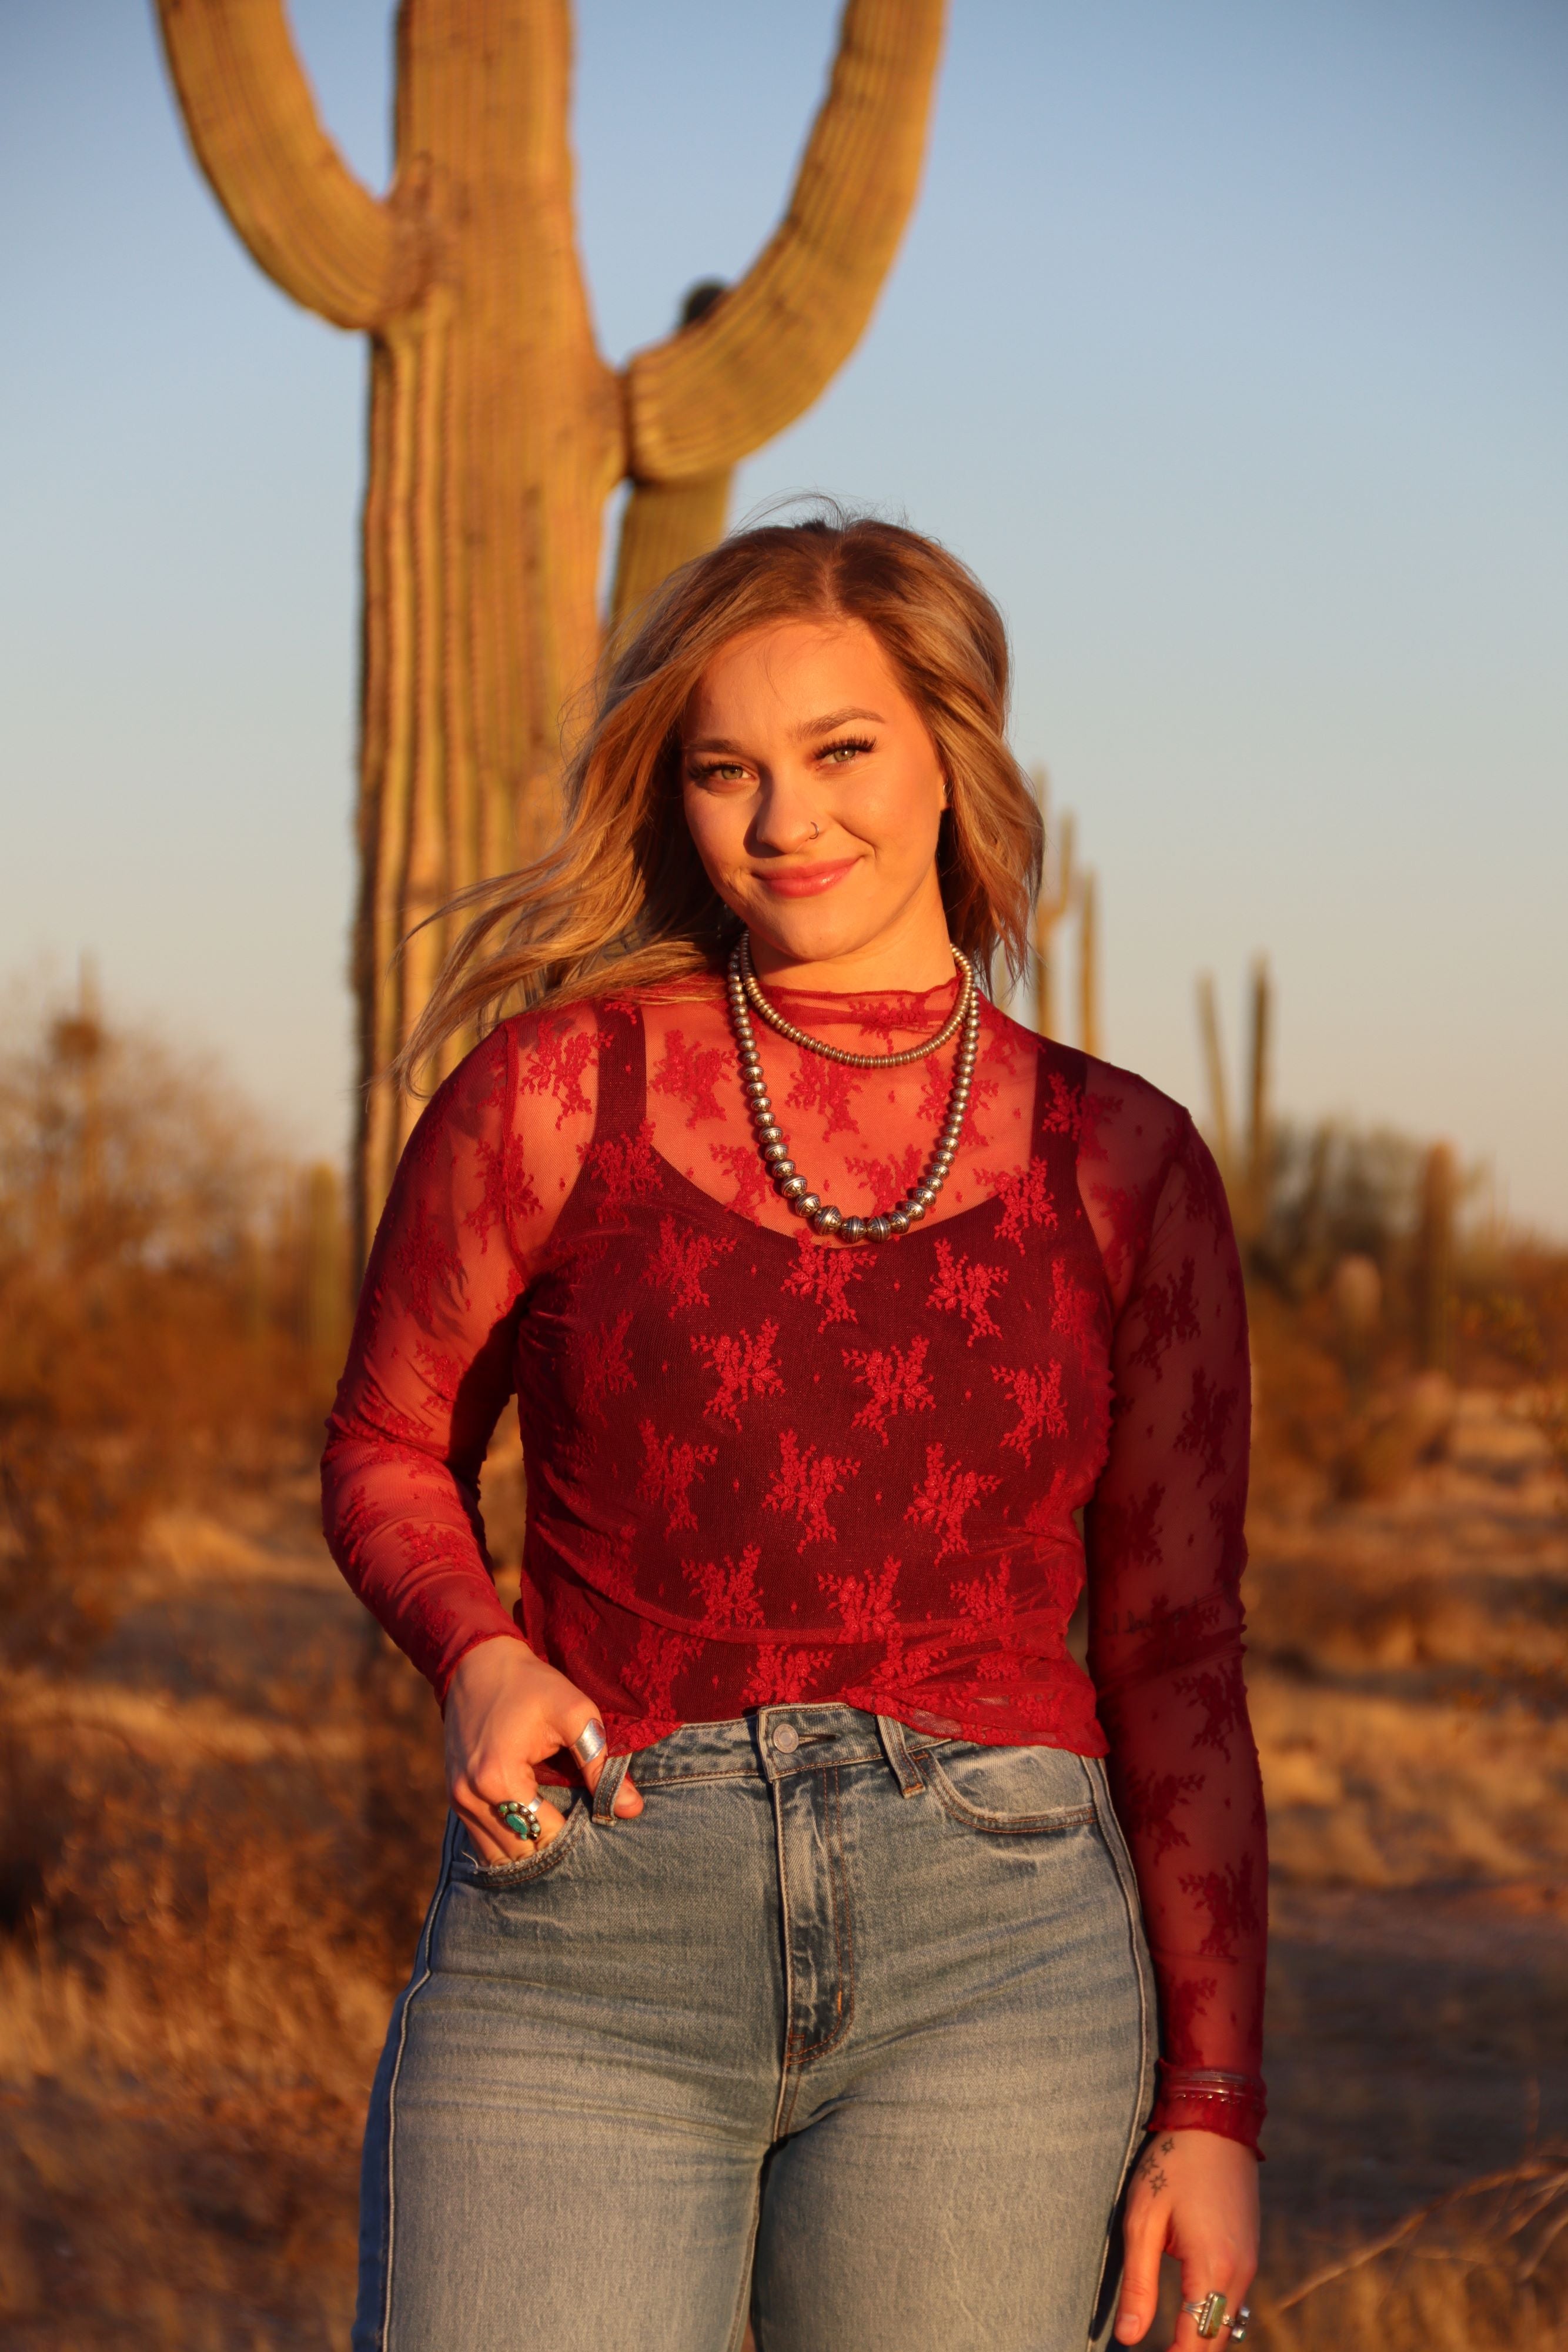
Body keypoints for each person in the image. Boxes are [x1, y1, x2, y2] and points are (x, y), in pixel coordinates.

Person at [323, 513, 1266, 2352]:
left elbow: (1170, 1648)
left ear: (950, 761)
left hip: (1002, 1954)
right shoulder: (551, 1096)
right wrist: (479, 1653)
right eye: (723, 770)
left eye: (841, 752)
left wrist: (1215, 2103)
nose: (783, 823)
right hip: (589, 1927)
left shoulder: (1125, 1161)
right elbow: (384, 1440)